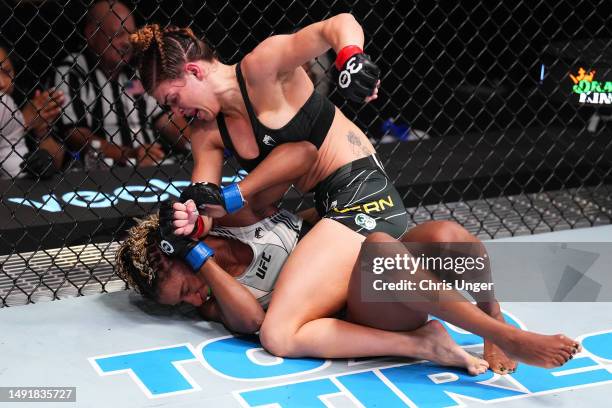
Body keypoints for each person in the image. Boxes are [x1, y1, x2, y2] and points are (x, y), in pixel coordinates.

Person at [128, 17, 579, 374]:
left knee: (280, 333)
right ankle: (482, 323)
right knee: (434, 241)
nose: (175, 111)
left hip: (355, 196)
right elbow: (204, 200)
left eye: (171, 98)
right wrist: (189, 221)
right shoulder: (208, 131)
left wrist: (351, 59)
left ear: (192, 71)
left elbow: (337, 23)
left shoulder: (262, 67)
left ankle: (496, 330)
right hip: (350, 207)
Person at [115, 201, 580, 375]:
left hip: (366, 262)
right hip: (364, 304)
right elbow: (254, 322)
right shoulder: (219, 302)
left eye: (185, 289)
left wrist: (203, 228)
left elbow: (266, 195)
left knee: (447, 237)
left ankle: (491, 318)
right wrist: (201, 261)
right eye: (183, 305)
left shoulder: (232, 221)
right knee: (380, 249)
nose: (194, 302)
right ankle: (507, 336)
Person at [49, 0, 189, 168]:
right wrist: (130, 154)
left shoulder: (138, 71)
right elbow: (75, 134)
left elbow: (167, 120)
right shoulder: (72, 72)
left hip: (154, 163)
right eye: (118, 35)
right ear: (92, 34)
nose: (127, 42)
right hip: (102, 170)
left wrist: (195, 143)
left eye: (130, 34)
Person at [1, 45, 64, 178]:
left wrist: (42, 132)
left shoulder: (20, 99)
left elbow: (58, 161)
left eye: (7, 72)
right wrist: (24, 121)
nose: (2, 83)